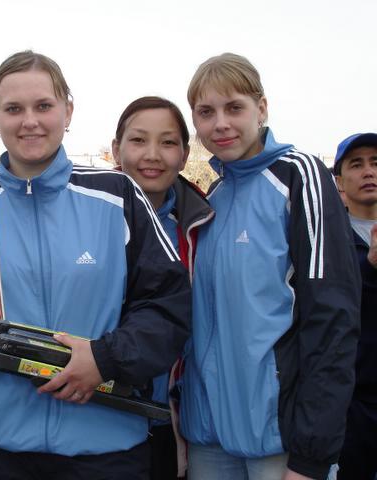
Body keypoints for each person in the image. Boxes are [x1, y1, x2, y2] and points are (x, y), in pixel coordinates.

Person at [0, 50, 192, 480]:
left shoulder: (117, 195)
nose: (29, 121)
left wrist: (104, 359)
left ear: (68, 110)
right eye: (13, 109)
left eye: (43, 106)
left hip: (102, 449)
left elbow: (168, 306)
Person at [178, 53, 361, 480]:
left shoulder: (299, 176)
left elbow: (332, 319)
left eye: (234, 108)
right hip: (209, 435)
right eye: (206, 112)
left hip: (280, 439)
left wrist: (312, 454)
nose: (220, 124)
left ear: (261, 108)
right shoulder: (214, 197)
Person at [112, 96, 214, 479]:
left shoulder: (204, 226)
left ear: (185, 155)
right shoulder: (86, 217)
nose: (152, 155)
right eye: (138, 140)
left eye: (168, 142)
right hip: (100, 414)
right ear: (116, 149)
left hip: (178, 419)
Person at [333, 133, 377, 480]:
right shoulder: (328, 240)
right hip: (353, 403)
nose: (368, 171)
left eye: (375, 163)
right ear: (339, 180)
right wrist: (370, 270)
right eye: (357, 164)